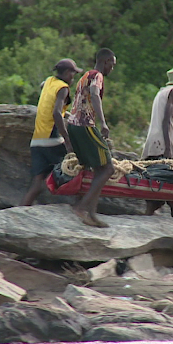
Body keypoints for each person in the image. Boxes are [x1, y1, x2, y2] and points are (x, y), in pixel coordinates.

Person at [20, 58, 83, 206]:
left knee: (37, 184)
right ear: (67, 73)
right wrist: (67, 139)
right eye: (73, 74)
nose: (73, 78)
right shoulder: (63, 88)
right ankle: (82, 208)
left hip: (36, 141)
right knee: (78, 167)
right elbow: (56, 113)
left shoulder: (49, 81)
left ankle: (19, 210)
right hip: (52, 139)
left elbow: (43, 87)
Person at [67, 48, 117, 227]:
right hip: (84, 125)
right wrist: (103, 123)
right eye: (112, 64)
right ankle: (81, 207)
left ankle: (92, 215)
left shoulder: (85, 75)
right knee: (109, 168)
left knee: (99, 169)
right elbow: (95, 94)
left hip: (73, 126)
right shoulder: (97, 76)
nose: (112, 68)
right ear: (106, 62)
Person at [141, 66, 173, 216]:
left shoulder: (162, 91)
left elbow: (171, 120)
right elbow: (166, 119)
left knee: (160, 176)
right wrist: (168, 147)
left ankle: (166, 208)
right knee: (169, 175)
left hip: (157, 138)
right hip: (162, 140)